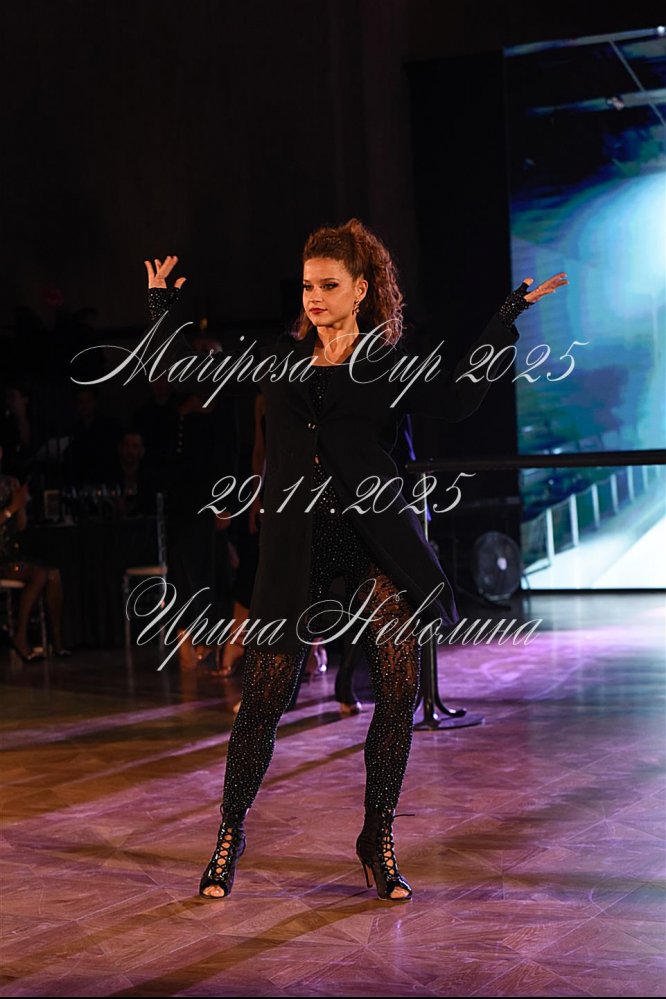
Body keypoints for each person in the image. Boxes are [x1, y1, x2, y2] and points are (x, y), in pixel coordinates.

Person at [137, 221, 566, 902]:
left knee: (398, 681)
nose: (314, 296)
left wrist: (506, 317)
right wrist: (162, 305)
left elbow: (459, 396)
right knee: (266, 696)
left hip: (374, 538)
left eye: (328, 284)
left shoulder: (391, 361)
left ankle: (377, 836)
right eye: (308, 284)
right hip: (296, 545)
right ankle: (230, 831)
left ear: (360, 289)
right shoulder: (277, 357)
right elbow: (187, 373)